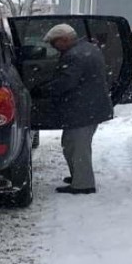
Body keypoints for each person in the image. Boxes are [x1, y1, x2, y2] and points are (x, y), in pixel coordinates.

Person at [34, 23, 113, 195]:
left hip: (82, 109)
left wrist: (41, 90)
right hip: (89, 106)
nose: (53, 47)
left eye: (54, 43)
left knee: (77, 147)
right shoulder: (88, 48)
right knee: (72, 144)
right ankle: (79, 176)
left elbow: (66, 82)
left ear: (64, 39)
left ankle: (83, 184)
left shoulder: (75, 56)